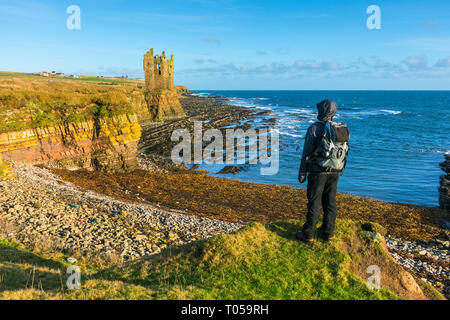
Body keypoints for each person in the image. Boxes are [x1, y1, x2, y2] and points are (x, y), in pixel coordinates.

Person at [296, 99, 349, 242]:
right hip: (335, 171)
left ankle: (308, 234)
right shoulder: (339, 129)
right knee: (330, 201)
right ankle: (328, 232)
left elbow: (306, 152)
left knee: (314, 201)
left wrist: (302, 172)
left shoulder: (314, 128)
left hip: (317, 171)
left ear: (323, 112)